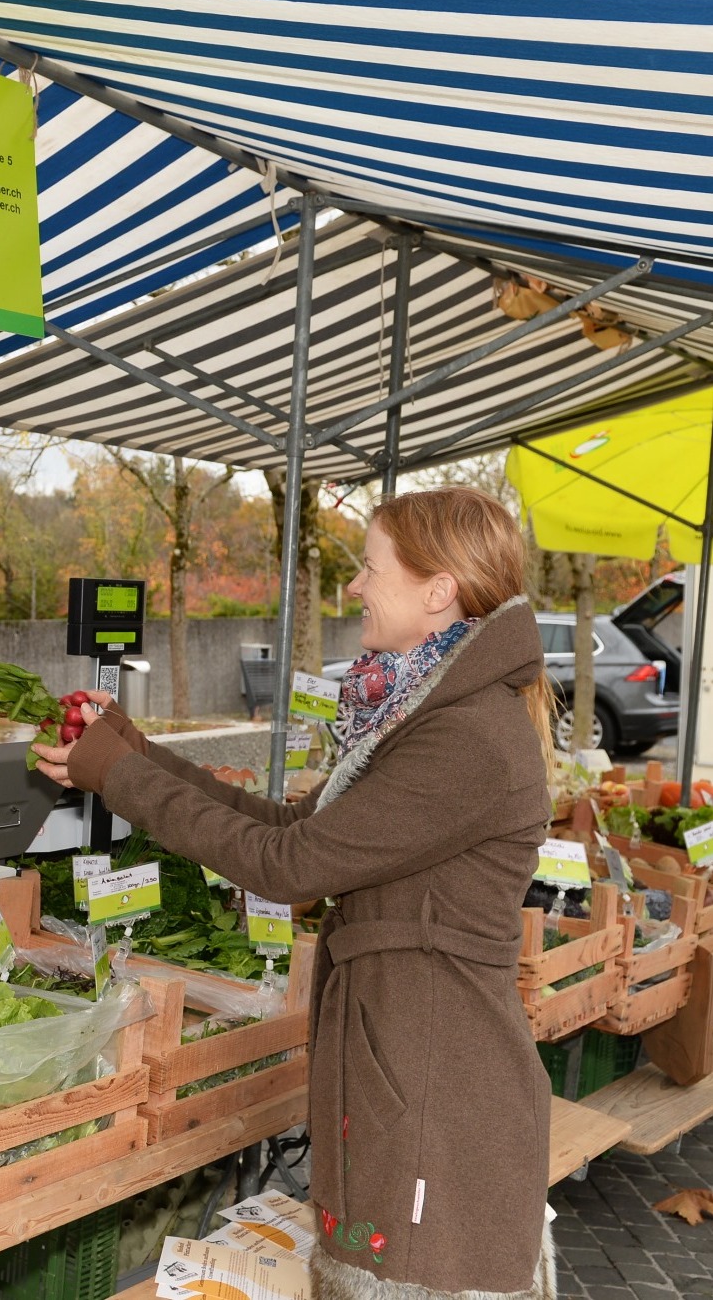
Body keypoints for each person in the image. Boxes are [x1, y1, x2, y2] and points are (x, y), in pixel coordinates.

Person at [35, 487, 557, 1300]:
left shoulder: (467, 738)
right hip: (407, 1052)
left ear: (438, 589)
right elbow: (284, 825)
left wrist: (121, 774)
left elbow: (287, 865)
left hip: (436, 1083)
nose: (354, 588)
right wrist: (129, 754)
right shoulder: (426, 713)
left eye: (370, 567)